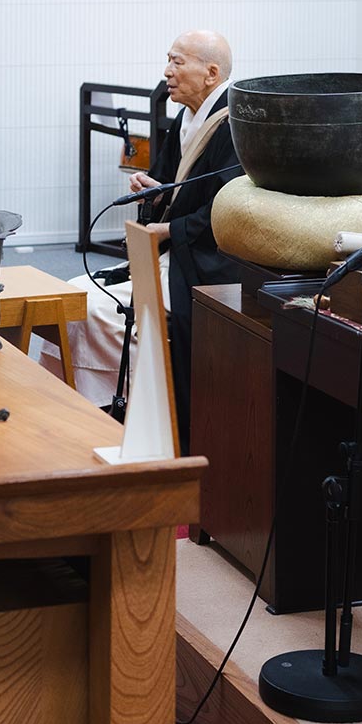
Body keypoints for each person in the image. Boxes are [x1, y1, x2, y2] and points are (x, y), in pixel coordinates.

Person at [55, 30, 241, 451]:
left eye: (177, 62)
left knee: (98, 309)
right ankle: (92, 413)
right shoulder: (185, 119)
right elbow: (175, 187)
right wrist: (154, 191)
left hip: (203, 262)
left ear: (211, 73)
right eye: (168, 60)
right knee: (73, 295)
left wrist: (168, 229)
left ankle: (143, 412)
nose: (166, 72)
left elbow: (229, 210)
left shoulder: (236, 124)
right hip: (171, 250)